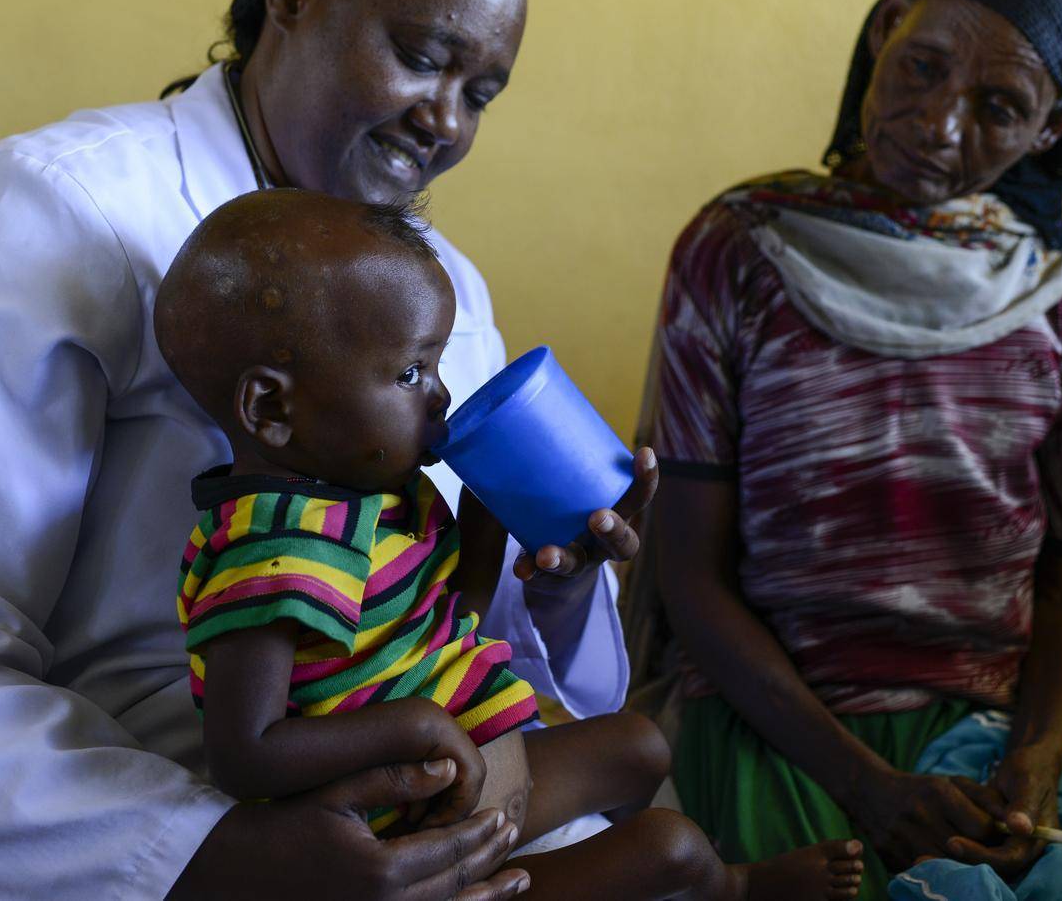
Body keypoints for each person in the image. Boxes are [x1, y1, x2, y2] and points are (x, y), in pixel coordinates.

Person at [0, 0, 654, 901]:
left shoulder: (443, 293)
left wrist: (553, 582)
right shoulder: (53, 212)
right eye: (424, 56)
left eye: (482, 93)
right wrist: (208, 855)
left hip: (391, 808)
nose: (447, 121)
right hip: (79, 835)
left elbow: (456, 634)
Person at [645, 0, 1062, 899]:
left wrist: (1033, 765)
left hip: (986, 731)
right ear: (885, 24)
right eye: (924, 65)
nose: (940, 126)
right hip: (782, 718)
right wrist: (869, 786)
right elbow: (687, 570)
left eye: (998, 105)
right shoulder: (740, 250)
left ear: (1056, 124)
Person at [159, 188, 867, 901]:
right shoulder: (273, 554)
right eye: (410, 374)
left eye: (434, 367)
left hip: (477, 766)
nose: (438, 397)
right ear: (271, 409)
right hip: (409, 830)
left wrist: (486, 521)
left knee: (640, 745)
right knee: (669, 847)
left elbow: (444, 625)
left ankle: (699, 876)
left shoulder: (373, 495)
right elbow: (243, 757)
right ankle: (725, 887)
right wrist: (413, 725)